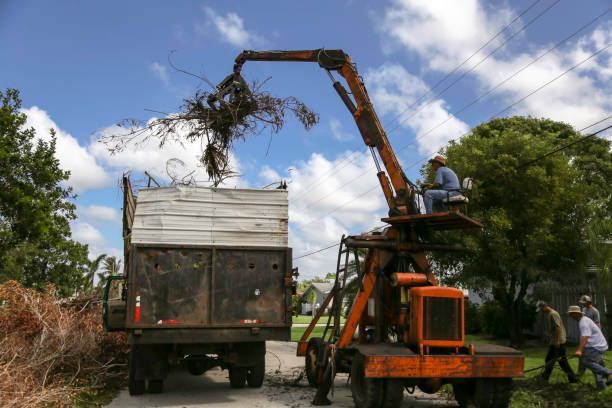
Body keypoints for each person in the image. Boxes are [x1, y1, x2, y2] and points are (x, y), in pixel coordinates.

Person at [568, 305, 612, 390]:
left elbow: (585, 336)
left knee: (587, 362)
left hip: (595, 346)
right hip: (599, 345)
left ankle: (608, 373)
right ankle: (601, 386)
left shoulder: (583, 323)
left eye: (571, 314)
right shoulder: (585, 320)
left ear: (576, 314)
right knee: (597, 365)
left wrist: (580, 350)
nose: (570, 316)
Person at [536, 301, 578, 383]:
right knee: (550, 359)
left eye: (541, 309)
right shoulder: (549, 314)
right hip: (554, 341)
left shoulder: (553, 314)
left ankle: (573, 378)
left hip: (558, 342)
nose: (541, 311)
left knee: (562, 362)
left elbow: (558, 328)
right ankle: (545, 377)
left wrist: (557, 341)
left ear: (544, 307)